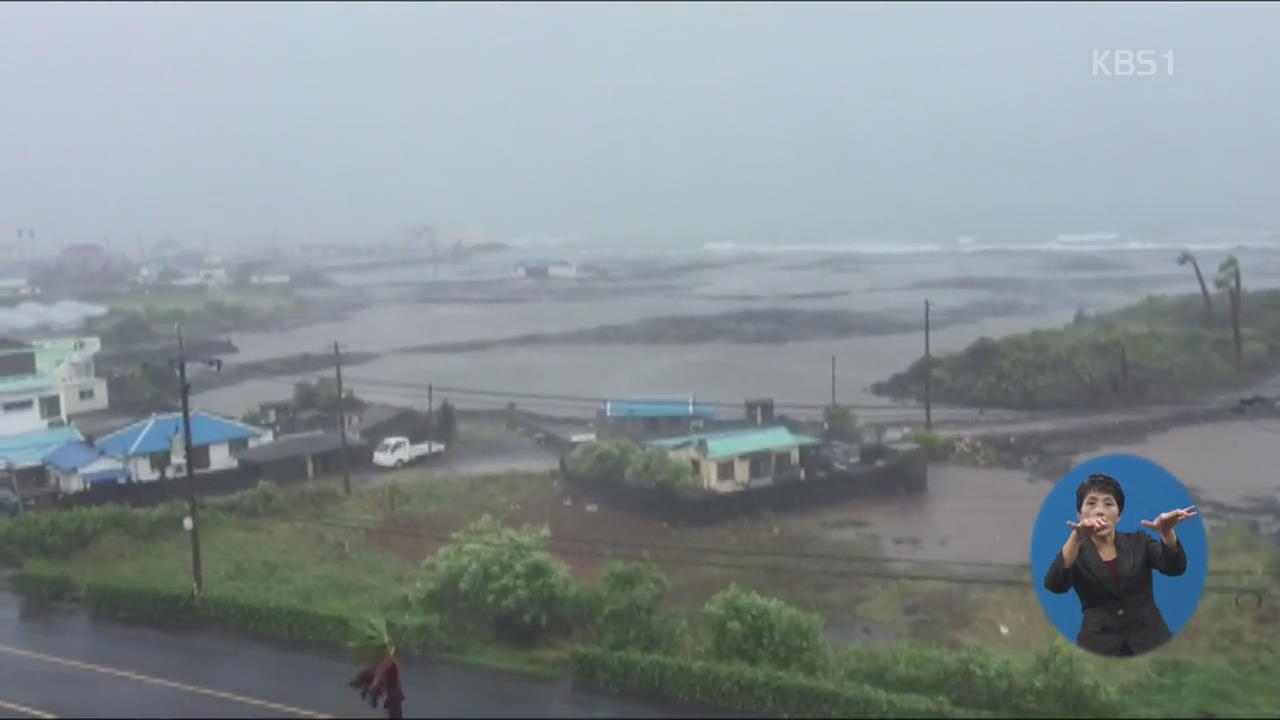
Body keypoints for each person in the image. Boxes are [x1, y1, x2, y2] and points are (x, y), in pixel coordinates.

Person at [1043, 473, 1197, 657]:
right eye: (1091, 503)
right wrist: (1076, 537)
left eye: (1108, 504)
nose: (1100, 511)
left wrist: (1166, 532)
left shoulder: (1139, 542)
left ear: (1118, 516)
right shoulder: (1075, 551)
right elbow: (1055, 585)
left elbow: (1174, 568)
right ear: (1079, 514)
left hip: (1150, 640)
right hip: (1098, 646)